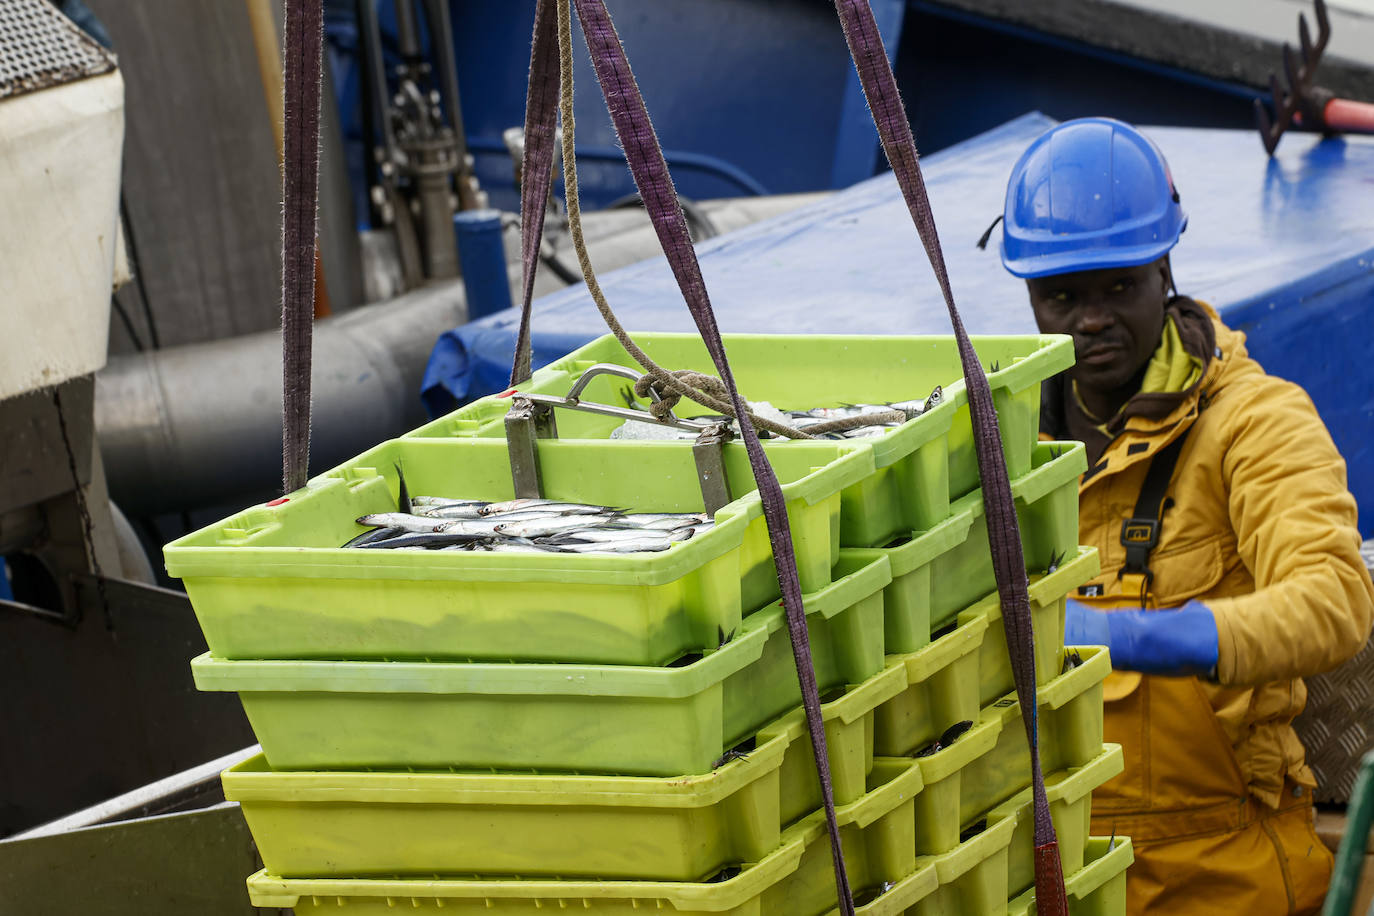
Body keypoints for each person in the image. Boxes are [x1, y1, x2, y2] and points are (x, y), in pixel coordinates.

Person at [996, 117, 1374, 915]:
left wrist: (1146, 637)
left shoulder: (1255, 423)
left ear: (1164, 268)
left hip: (1218, 874)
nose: (1089, 319)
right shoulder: (994, 442)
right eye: (1061, 296)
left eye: (1117, 287)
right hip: (1042, 874)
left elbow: (1334, 601)